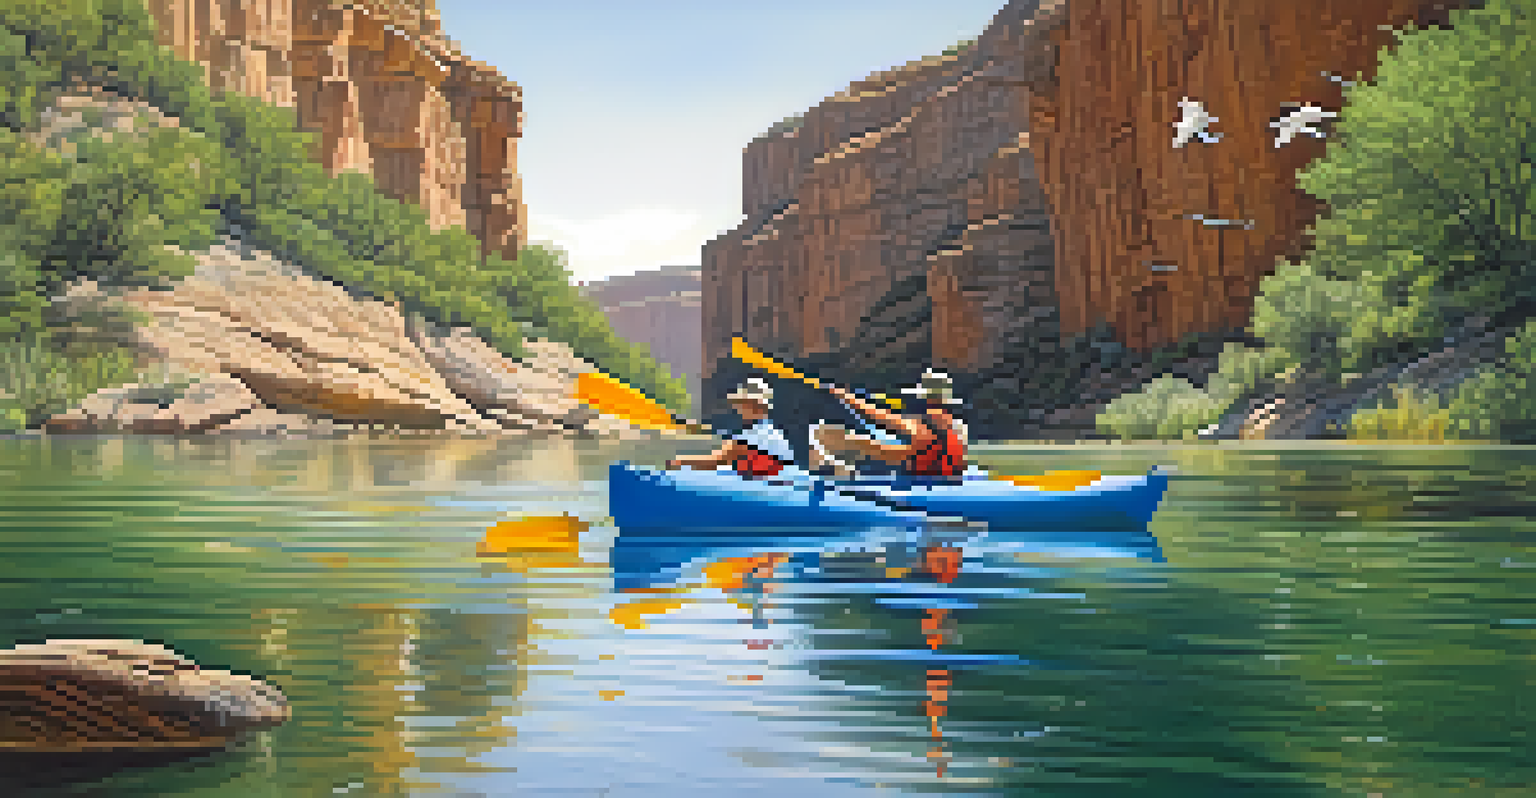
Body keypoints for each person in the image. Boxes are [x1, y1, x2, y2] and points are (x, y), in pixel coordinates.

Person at [809, 369, 969, 480]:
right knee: (874, 444)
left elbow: (878, 416)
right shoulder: (959, 427)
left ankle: (833, 471)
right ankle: (838, 469)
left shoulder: (920, 428)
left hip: (923, 477)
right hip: (943, 474)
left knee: (846, 439)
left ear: (929, 400)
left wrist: (845, 396)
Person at [666, 378, 795, 478]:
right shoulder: (777, 435)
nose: (739, 408)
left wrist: (679, 461)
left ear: (755, 406)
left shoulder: (751, 436)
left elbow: (716, 460)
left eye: (743, 404)